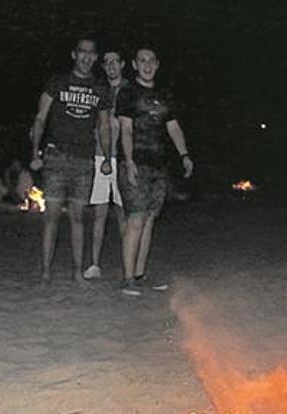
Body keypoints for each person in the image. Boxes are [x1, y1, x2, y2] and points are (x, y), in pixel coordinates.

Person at [30, 38, 112, 286]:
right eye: (82, 52)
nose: (87, 57)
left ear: (95, 57)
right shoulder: (57, 81)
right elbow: (40, 117)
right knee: (51, 217)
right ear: (74, 54)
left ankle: (77, 273)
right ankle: (46, 272)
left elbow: (105, 125)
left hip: (84, 160)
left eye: (91, 53)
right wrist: (35, 152)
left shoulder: (100, 87)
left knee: (78, 219)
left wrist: (107, 158)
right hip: (56, 157)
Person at [117, 47, 194, 296]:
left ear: (157, 64)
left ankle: (139, 274)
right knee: (136, 218)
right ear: (134, 64)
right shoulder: (128, 93)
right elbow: (125, 129)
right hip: (136, 162)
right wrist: (128, 162)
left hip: (159, 165)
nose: (147, 64)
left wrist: (184, 155)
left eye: (151, 60)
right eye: (142, 60)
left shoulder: (164, 95)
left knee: (149, 219)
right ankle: (127, 278)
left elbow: (173, 128)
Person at [83, 49, 128, 280]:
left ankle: (127, 265)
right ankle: (94, 264)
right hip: (100, 156)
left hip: (123, 158)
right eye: (107, 62)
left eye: (115, 62)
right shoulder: (97, 90)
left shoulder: (131, 90)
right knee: (99, 212)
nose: (111, 66)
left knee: (124, 213)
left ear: (122, 64)